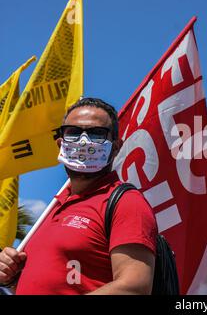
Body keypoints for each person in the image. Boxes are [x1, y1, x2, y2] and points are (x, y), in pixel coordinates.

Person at [0, 98, 158, 295]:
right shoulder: (53, 208)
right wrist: (11, 278)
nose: (84, 141)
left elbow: (134, 288)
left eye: (96, 134)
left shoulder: (126, 202)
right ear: (60, 143)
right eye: (73, 132)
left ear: (116, 146)